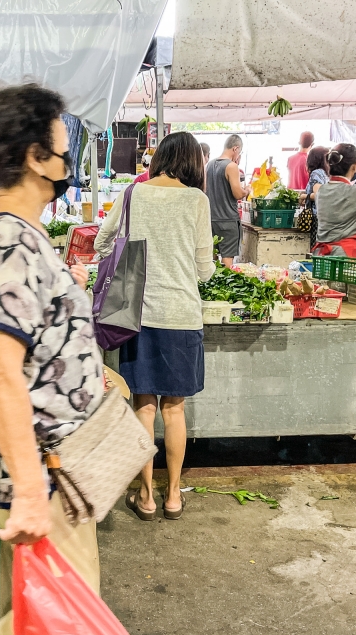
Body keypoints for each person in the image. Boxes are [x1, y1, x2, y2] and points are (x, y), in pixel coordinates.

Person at [0, 83, 104, 635]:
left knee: (37, 621)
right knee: (60, 625)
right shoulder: (6, 241)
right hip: (42, 469)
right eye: (63, 149)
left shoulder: (17, 232)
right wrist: (26, 492)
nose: (70, 161)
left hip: (48, 465)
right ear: (35, 158)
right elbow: (0, 370)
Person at [95, 132, 215, 521]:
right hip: (182, 315)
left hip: (138, 316)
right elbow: (204, 269)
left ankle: (145, 497)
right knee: (174, 410)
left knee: (143, 407)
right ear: (194, 162)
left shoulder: (135, 193)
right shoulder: (197, 200)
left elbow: (102, 243)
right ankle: (174, 495)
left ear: (159, 157)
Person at [206, 134, 248, 266]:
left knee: (211, 258)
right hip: (228, 220)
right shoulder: (231, 166)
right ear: (235, 148)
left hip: (211, 219)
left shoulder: (210, 164)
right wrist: (247, 190)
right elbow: (237, 193)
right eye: (239, 152)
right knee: (227, 258)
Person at [301, 146, 330, 246]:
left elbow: (319, 193)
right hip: (325, 216)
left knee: (315, 248)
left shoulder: (316, 172)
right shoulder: (327, 174)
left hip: (316, 217)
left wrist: (304, 197)